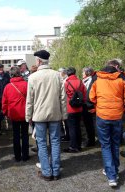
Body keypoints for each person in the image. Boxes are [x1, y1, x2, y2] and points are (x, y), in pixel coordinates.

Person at [88, 59, 125, 187]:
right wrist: (123, 110)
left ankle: (111, 175)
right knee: (115, 144)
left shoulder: (96, 78)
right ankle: (114, 171)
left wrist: (94, 110)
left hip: (102, 116)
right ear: (116, 66)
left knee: (105, 145)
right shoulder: (122, 78)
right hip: (116, 116)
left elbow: (89, 98)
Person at [26, 50, 67, 181]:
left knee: (42, 143)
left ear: (38, 61)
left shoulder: (33, 77)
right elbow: (63, 98)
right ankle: (55, 172)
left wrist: (28, 116)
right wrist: (64, 114)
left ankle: (47, 172)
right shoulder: (58, 75)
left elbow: (29, 100)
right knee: (55, 142)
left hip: (39, 115)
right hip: (55, 114)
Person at [2, 66, 29, 162]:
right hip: (25, 113)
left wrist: (5, 113)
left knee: (16, 135)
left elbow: (4, 102)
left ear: (11, 74)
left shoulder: (8, 87)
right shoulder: (26, 84)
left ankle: (17, 156)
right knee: (25, 134)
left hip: (13, 113)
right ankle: (25, 155)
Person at [63, 67, 86, 153]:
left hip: (70, 108)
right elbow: (84, 93)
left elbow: (63, 95)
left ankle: (73, 147)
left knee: (72, 128)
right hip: (79, 107)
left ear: (67, 74)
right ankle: (79, 145)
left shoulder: (66, 83)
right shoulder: (80, 81)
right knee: (78, 127)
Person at [81, 67, 96, 147]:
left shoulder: (90, 80)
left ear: (87, 73)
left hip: (88, 105)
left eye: (83, 73)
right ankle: (90, 140)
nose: (82, 74)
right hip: (86, 104)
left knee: (89, 124)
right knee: (88, 124)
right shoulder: (86, 80)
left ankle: (91, 141)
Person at [58, 67, 70, 142]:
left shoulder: (66, 80)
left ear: (63, 73)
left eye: (59, 72)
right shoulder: (62, 80)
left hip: (65, 103)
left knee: (66, 120)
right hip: (63, 102)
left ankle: (67, 136)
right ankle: (64, 135)